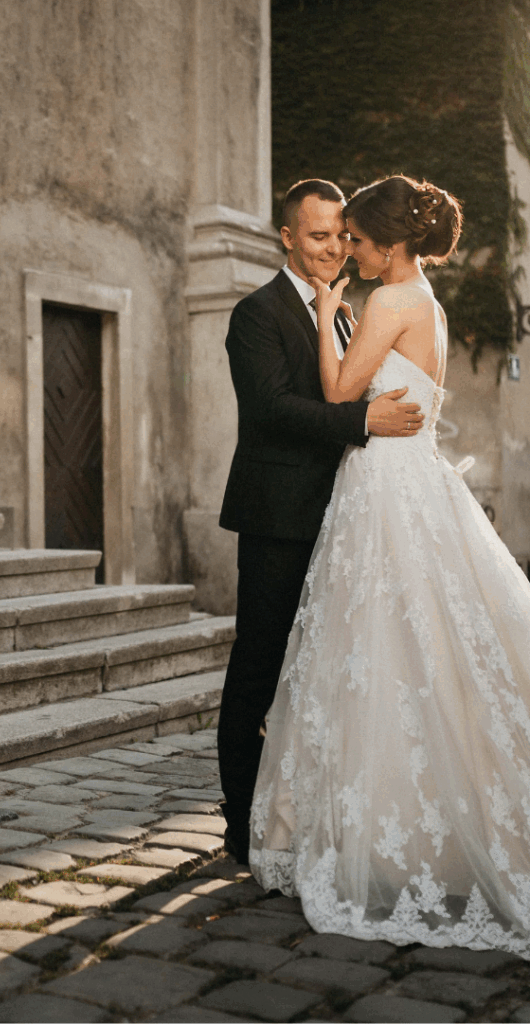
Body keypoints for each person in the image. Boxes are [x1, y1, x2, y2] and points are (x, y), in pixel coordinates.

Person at [250, 174, 530, 958]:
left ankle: (380, 835)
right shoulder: (430, 303)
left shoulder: (383, 301)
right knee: (429, 649)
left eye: (362, 242)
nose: (352, 252)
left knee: (375, 647)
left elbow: (341, 388)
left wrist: (329, 316)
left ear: (393, 244)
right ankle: (425, 825)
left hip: (381, 490)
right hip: (418, 481)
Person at [217, 179, 424, 863]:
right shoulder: (256, 313)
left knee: (318, 675)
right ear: (286, 238)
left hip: (341, 522)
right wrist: (364, 419)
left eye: (341, 235)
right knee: (260, 669)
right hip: (277, 517)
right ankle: (239, 826)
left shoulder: (343, 312)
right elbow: (272, 408)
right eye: (317, 236)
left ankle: (299, 818)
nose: (334, 247)